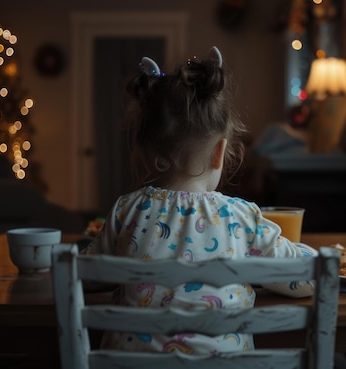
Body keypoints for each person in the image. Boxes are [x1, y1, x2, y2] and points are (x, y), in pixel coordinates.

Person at [83, 46, 317, 355]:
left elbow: (87, 275)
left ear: (147, 152)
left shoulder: (126, 212)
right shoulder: (242, 217)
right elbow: (303, 280)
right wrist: (308, 254)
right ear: (220, 152)